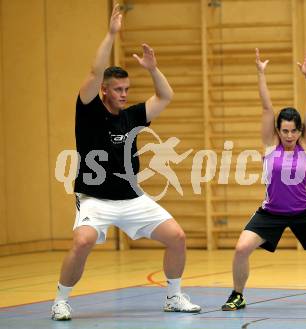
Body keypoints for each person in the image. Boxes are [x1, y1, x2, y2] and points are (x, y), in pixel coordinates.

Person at [51, 4, 200, 321]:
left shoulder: (132, 116)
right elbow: (95, 71)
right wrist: (111, 34)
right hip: (95, 198)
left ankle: (174, 296)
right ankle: (61, 300)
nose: (123, 94)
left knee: (177, 237)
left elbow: (165, 97)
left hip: (132, 198)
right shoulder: (89, 110)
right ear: (103, 90)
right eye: (117, 89)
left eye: (126, 89)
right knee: (83, 241)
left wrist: (152, 69)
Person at [221, 49, 306, 311]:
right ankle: (237, 295)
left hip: (303, 211)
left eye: (293, 130)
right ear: (278, 130)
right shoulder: (270, 144)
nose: (288, 135)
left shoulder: (305, 146)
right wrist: (261, 74)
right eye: (284, 130)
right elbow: (266, 107)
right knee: (241, 249)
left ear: (299, 131)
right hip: (270, 212)